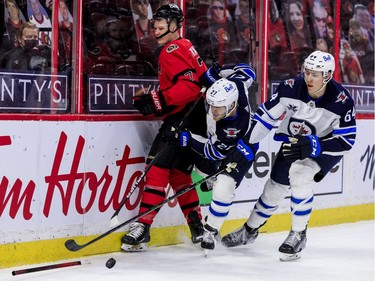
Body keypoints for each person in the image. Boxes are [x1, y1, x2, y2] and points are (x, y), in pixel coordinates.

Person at [221, 50, 357, 261]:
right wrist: (245, 144)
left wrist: (315, 145)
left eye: (315, 74)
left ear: (327, 76)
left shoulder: (341, 100)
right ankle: (249, 231)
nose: (309, 78)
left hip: (324, 148)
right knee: (274, 188)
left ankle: (298, 234)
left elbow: (346, 140)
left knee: (300, 174)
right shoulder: (290, 88)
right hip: (294, 142)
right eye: (307, 72)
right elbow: (265, 118)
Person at [120, 4, 208, 252]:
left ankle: (143, 228)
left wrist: (154, 101)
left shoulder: (170, 50)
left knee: (156, 168)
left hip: (183, 119)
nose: (156, 25)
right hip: (196, 118)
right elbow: (196, 84)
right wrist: (157, 103)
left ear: (174, 25)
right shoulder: (186, 45)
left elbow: (189, 88)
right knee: (179, 174)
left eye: (162, 22)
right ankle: (198, 229)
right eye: (155, 21)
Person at [164, 63, 257, 251]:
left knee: (224, 188)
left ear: (231, 105)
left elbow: (214, 152)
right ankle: (212, 177)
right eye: (211, 105)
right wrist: (220, 71)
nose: (213, 110)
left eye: (218, 108)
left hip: (243, 148)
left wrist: (187, 139)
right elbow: (248, 71)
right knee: (203, 168)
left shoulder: (232, 126)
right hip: (219, 141)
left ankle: (211, 230)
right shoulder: (236, 85)